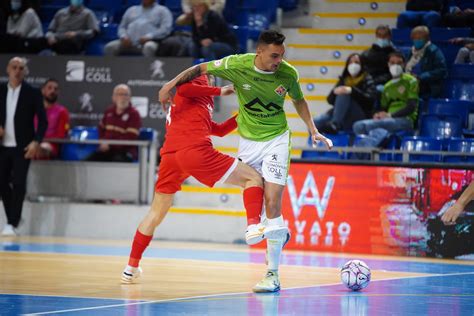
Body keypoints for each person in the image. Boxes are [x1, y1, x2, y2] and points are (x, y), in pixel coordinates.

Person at [158, 30, 332, 292]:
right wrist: (169, 85)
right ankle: (274, 234)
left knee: (273, 203)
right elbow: (199, 68)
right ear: (259, 52)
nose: (278, 61)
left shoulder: (288, 73)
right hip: (249, 142)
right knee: (257, 196)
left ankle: (272, 275)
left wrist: (312, 128)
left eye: (282, 55)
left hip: (276, 139)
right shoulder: (236, 64)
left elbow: (299, 99)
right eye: (274, 56)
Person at [122, 75, 275, 287]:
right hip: (194, 152)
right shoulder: (195, 85)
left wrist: (245, 114)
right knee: (253, 178)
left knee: (155, 213)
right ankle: (252, 227)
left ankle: (131, 268)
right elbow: (184, 89)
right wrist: (221, 90)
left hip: (169, 159)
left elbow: (219, 130)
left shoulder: (195, 104)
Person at [0, 57, 47, 236]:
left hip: (23, 147)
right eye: (14, 67)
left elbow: (43, 121)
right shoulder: (0, 90)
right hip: (2, 146)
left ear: (25, 71)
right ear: (8, 69)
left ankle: (11, 223)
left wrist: (36, 141)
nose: (17, 71)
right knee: (2, 183)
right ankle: (14, 218)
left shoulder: (32, 93)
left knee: (19, 183)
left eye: (21, 68)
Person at [353, 52, 418, 147]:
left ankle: (360, 155)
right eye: (392, 63)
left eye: (399, 63)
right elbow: (383, 107)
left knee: (368, 126)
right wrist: (378, 114)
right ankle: (371, 151)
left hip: (405, 120)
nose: (395, 65)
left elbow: (411, 107)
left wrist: (389, 115)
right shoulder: (387, 86)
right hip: (388, 120)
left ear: (404, 64)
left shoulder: (411, 81)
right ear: (388, 65)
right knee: (357, 126)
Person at [314, 53, 376, 134]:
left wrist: (351, 91)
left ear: (362, 65)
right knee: (315, 123)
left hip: (359, 114)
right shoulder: (344, 80)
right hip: (341, 115)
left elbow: (369, 101)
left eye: (357, 62)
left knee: (344, 94)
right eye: (351, 62)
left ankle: (335, 124)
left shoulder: (367, 79)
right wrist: (334, 92)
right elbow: (330, 100)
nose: (353, 65)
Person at [87, 84, 141, 162]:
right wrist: (103, 142)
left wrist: (110, 145)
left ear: (129, 97)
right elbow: (101, 129)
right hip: (106, 149)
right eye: (120, 94)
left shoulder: (134, 114)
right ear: (114, 97)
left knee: (117, 161)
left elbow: (130, 137)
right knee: (89, 161)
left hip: (124, 152)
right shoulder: (109, 111)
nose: (123, 97)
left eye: (125, 94)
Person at [104, 0, 173, 57]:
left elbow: (165, 29)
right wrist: (124, 37)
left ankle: (149, 72)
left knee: (149, 47)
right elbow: (122, 27)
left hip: (151, 41)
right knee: (110, 47)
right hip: (128, 42)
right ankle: (112, 71)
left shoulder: (163, 10)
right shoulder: (131, 10)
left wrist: (149, 37)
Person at [405, 26, 447, 100]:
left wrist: (420, 77)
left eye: (420, 38)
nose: (417, 40)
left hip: (427, 86)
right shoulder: (410, 52)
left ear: (426, 39)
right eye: (415, 38)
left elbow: (442, 70)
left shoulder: (433, 51)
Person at [35, 78, 70, 160]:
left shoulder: (62, 111)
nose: (53, 91)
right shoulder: (33, 110)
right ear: (43, 90)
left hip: (51, 146)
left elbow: (61, 135)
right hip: (33, 143)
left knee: (41, 147)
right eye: (49, 88)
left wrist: (40, 140)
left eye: (55, 89)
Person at [361, 25, 396, 97]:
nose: (382, 38)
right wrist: (370, 81)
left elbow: (395, 72)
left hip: (388, 84)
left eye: (385, 35)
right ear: (376, 36)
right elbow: (363, 71)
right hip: (369, 83)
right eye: (379, 35)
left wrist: (376, 81)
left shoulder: (396, 54)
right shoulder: (366, 54)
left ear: (390, 36)